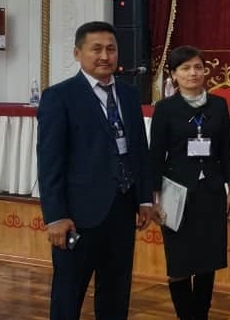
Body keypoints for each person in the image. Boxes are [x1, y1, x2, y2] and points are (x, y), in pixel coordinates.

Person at [36, 21, 153, 320]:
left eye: (111, 49)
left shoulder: (128, 94)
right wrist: (55, 216)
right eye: (96, 49)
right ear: (78, 53)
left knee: (116, 294)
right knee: (68, 294)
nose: (105, 56)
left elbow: (139, 149)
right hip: (78, 215)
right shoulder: (60, 96)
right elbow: (50, 161)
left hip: (122, 209)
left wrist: (144, 198)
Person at [149, 45, 230, 320]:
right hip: (176, 193)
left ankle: (201, 315)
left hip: (211, 191)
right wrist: (154, 197)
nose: (193, 73)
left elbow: (226, 149)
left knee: (207, 262)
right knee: (179, 263)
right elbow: (156, 154)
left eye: (198, 67)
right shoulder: (165, 109)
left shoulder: (218, 105)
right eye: (185, 68)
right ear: (173, 75)